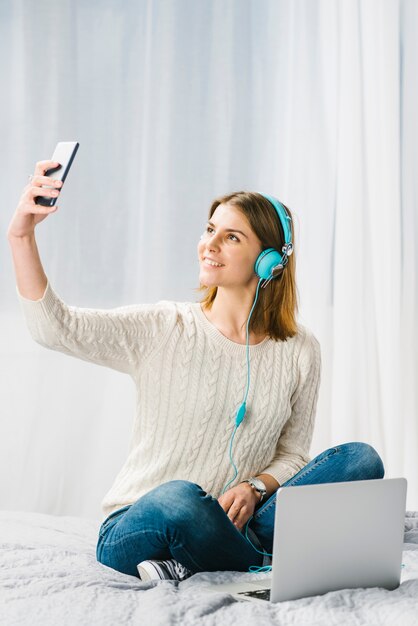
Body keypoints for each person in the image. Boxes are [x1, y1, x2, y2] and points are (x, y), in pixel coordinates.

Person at [8, 159, 385, 582]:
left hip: (243, 521)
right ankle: (262, 566)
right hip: (140, 524)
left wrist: (255, 487)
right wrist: (22, 234)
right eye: (210, 230)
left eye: (231, 237)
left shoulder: (300, 349)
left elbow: (293, 454)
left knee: (359, 461)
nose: (210, 244)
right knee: (181, 499)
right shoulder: (164, 326)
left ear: (269, 262)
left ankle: (200, 559)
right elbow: (55, 328)